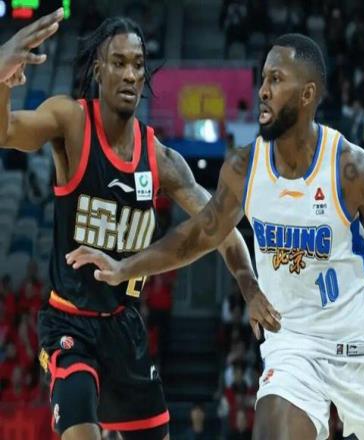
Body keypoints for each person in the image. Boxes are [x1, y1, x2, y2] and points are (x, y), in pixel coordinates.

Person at [67, 34, 364, 440]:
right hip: (292, 343)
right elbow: (197, 236)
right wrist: (126, 266)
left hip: (359, 344)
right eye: (263, 79)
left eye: (276, 79)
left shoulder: (351, 170)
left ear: (307, 94)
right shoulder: (244, 169)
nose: (262, 91)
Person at [0, 12, 280, 440]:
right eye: (119, 63)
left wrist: (249, 284)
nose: (130, 74)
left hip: (125, 326)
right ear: (99, 69)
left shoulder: (161, 159)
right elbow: (6, 132)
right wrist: (1, 78)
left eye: (138, 64)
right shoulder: (71, 122)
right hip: (69, 324)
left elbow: (220, 227)